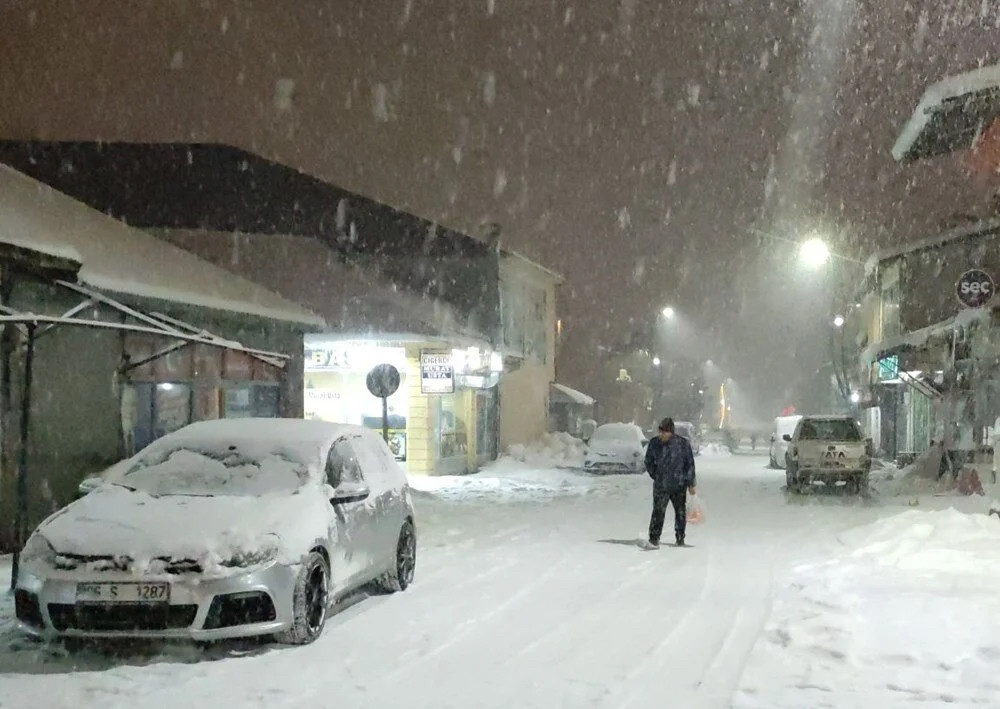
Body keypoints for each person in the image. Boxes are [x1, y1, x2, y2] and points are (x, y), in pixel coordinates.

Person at [643, 417, 697, 549]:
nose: (662, 435)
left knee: (680, 512)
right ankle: (654, 539)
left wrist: (691, 483)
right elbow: (648, 461)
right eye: (660, 432)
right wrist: (656, 475)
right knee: (658, 512)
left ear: (671, 432)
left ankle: (680, 538)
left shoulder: (683, 444)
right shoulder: (654, 443)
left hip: (679, 484)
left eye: (665, 432)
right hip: (661, 485)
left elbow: (689, 464)